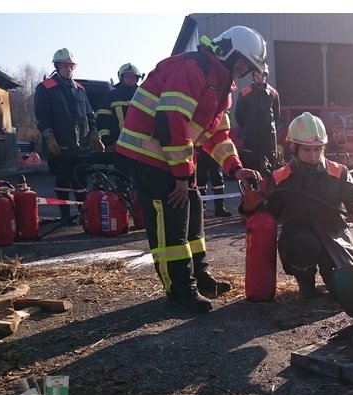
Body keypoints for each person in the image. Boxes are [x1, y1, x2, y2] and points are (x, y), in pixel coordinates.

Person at [114, 26, 266, 313]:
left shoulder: (221, 87)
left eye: (249, 65)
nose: (245, 69)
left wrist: (236, 169)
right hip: (148, 152)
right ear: (231, 53)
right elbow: (171, 120)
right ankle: (180, 290)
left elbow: (217, 136)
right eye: (244, 62)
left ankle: (199, 276)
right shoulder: (192, 68)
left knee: (193, 208)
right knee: (171, 220)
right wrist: (181, 176)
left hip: (172, 154)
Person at [261, 112, 353, 299]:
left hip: (334, 234)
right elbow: (272, 212)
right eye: (307, 150)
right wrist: (253, 206)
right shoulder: (280, 176)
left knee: (344, 291)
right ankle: (306, 285)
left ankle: (332, 277)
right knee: (302, 244)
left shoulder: (338, 171)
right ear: (294, 148)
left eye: (317, 149)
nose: (313, 156)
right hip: (299, 234)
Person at [34, 48, 105, 221]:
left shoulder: (80, 89)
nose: (68, 69)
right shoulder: (46, 87)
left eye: (71, 65)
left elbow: (89, 114)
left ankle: (84, 216)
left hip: (82, 147)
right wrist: (49, 137)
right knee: (63, 182)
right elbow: (42, 115)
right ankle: (65, 216)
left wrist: (95, 134)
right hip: (61, 145)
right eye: (64, 65)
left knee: (81, 182)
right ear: (57, 66)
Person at [95, 63, 144, 175]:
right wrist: (107, 141)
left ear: (137, 79)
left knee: (140, 179)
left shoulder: (143, 95)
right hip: (119, 145)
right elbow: (103, 120)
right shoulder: (111, 95)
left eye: (133, 77)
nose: (130, 79)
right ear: (121, 77)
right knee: (122, 176)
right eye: (127, 76)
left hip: (141, 146)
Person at [234, 68, 280, 176]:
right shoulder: (244, 93)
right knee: (251, 168)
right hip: (251, 138)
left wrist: (271, 129)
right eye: (258, 75)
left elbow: (276, 116)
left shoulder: (273, 93)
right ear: (253, 76)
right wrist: (247, 128)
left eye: (263, 75)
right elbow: (239, 115)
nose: (261, 77)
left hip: (268, 139)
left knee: (269, 171)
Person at [195, 148, 232, 217]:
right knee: (201, 183)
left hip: (214, 155)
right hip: (202, 155)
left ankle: (219, 208)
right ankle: (201, 210)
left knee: (218, 183)